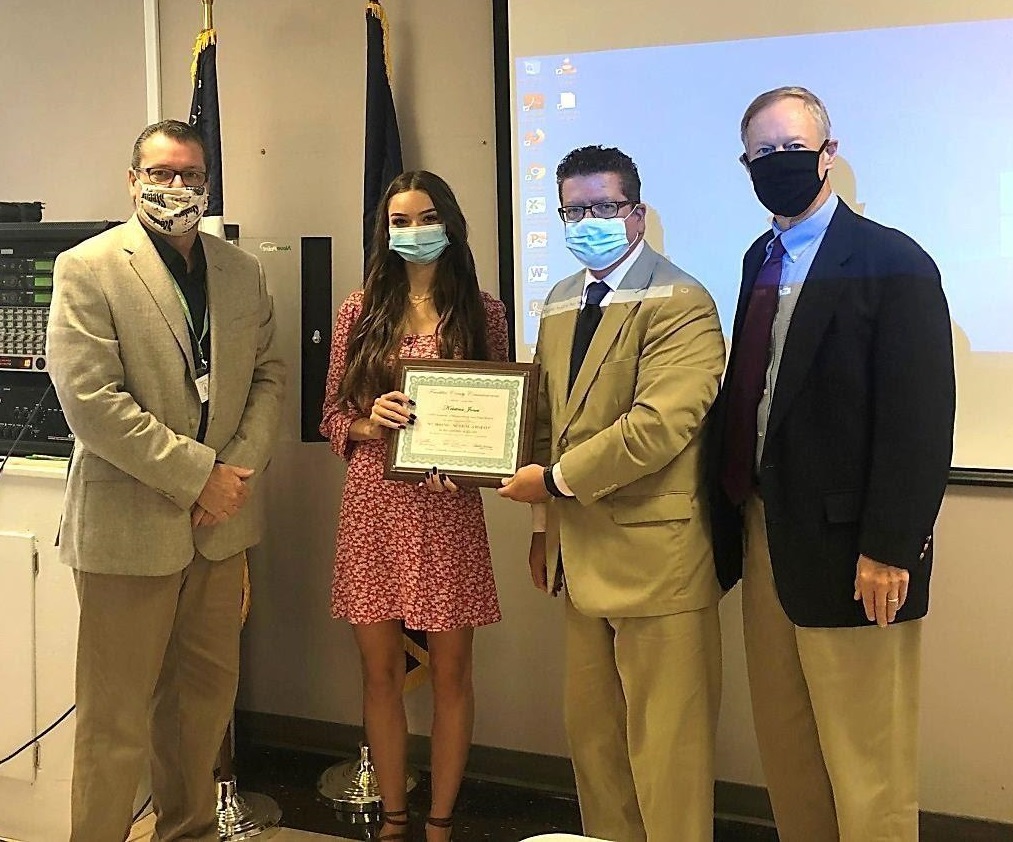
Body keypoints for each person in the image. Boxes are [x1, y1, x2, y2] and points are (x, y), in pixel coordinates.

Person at [705, 87, 956, 841]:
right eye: (763, 154)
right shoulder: (760, 256)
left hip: (857, 555)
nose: (779, 164)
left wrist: (888, 546)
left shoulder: (893, 261)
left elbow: (920, 422)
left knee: (866, 767)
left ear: (829, 153)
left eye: (794, 149)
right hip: (765, 538)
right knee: (790, 755)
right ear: (744, 164)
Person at [46, 119, 284, 842]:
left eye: (190, 175)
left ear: (209, 185)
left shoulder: (241, 272)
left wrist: (234, 470)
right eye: (161, 172)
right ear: (132, 180)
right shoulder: (87, 268)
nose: (176, 187)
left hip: (221, 532)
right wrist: (197, 476)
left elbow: (270, 375)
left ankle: (188, 833)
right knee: (115, 725)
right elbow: (92, 401)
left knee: (200, 714)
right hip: (129, 530)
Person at [498, 146, 726, 842]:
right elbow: (545, 419)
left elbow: (660, 426)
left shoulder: (682, 300)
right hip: (579, 556)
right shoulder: (564, 297)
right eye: (574, 210)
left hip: (658, 564)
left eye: (603, 207)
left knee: (667, 758)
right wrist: (539, 523)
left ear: (637, 213)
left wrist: (558, 481)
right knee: (596, 750)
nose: (587, 221)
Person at [320, 170, 508, 842]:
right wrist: (371, 421)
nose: (413, 232)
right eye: (399, 222)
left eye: (425, 218)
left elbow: (501, 422)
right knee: (380, 675)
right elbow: (330, 417)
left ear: (451, 223)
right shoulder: (357, 309)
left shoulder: (483, 312)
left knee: (454, 673)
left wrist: (470, 464)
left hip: (448, 511)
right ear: (384, 232)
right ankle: (393, 819)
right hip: (374, 508)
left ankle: (440, 824)